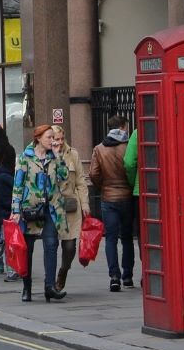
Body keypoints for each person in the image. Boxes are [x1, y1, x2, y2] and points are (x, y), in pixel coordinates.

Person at [11, 125, 68, 302]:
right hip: (30, 209)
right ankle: (26, 288)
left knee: (51, 246)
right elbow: (18, 185)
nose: (53, 141)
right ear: (38, 138)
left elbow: (64, 176)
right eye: (49, 137)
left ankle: (49, 287)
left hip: (51, 208)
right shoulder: (24, 158)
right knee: (27, 250)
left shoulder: (54, 157)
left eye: (55, 138)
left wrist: (58, 156)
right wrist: (15, 210)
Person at [90, 116, 134, 292]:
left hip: (108, 198)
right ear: (123, 127)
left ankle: (114, 277)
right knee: (127, 238)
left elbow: (93, 174)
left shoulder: (99, 149)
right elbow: (133, 166)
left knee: (110, 238)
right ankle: (128, 276)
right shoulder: (128, 146)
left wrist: (103, 186)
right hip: (127, 197)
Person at [52, 125, 88, 294]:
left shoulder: (73, 154)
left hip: (71, 207)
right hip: (52, 206)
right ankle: (49, 281)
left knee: (69, 247)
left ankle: (63, 271)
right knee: (50, 244)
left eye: (61, 139)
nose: (59, 142)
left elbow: (81, 182)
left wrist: (85, 205)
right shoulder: (45, 154)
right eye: (55, 139)